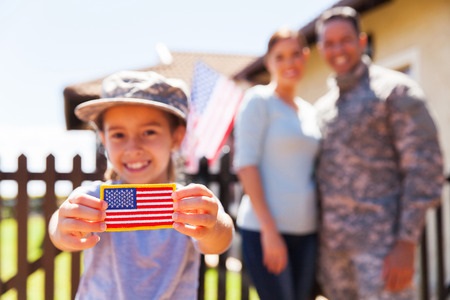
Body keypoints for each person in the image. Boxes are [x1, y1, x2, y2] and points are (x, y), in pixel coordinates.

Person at [48, 70, 235, 300]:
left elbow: (220, 241)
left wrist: (213, 225)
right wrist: (61, 228)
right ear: (104, 139)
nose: (133, 147)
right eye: (118, 135)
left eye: (149, 132)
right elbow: (59, 222)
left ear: (176, 137)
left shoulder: (188, 201)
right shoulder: (97, 198)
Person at [314, 6, 444, 300]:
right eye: (329, 43)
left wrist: (406, 243)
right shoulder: (323, 109)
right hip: (334, 257)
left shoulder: (395, 92)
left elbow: (425, 168)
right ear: (321, 49)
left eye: (345, 40)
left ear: (361, 41)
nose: (338, 49)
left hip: (382, 252)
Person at [233, 28, 321, 300]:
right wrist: (270, 231)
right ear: (269, 62)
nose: (289, 63)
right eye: (279, 57)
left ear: (305, 57)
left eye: (295, 54)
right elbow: (246, 165)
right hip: (265, 230)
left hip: (306, 231)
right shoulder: (259, 101)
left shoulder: (309, 111)